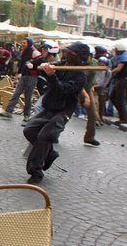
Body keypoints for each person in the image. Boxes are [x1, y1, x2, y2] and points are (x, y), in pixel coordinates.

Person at [23, 42, 88, 184]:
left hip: (63, 110)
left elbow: (62, 88)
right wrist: (45, 68)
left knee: (46, 135)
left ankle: (36, 171)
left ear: (78, 57)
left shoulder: (80, 76)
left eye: (71, 53)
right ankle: (50, 153)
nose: (67, 54)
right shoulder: (61, 65)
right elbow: (45, 70)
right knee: (29, 130)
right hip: (49, 106)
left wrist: (52, 76)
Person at [2, 37, 38, 122]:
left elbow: (39, 63)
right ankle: (9, 111)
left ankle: (26, 115)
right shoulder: (24, 52)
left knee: (28, 97)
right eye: (23, 43)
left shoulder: (35, 52)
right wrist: (17, 74)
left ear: (29, 43)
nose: (23, 44)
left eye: (24, 43)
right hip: (24, 76)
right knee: (16, 93)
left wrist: (33, 65)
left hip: (32, 77)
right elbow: (21, 64)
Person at [109, 43, 127, 124]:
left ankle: (124, 118)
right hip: (119, 80)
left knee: (119, 99)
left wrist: (110, 72)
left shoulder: (124, 57)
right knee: (113, 97)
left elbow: (118, 69)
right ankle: (123, 115)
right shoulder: (122, 56)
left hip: (122, 80)